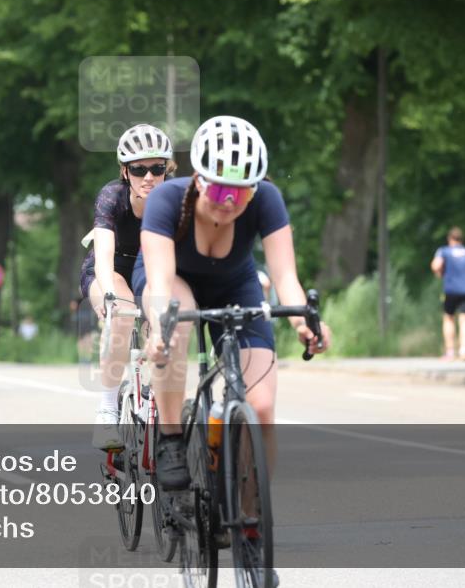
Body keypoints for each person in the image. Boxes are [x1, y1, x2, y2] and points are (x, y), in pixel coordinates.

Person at [136, 115, 331, 491]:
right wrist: (159, 327)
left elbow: (285, 277)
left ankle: (249, 514)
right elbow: (160, 283)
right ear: (198, 179)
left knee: (262, 407)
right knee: (177, 320)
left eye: (241, 193)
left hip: (234, 284)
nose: (229, 202)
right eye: (221, 189)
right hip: (172, 278)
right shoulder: (166, 200)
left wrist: (303, 324)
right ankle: (171, 438)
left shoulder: (267, 199)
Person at [80, 123, 174, 450]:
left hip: (150, 268)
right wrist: (110, 296)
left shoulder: (175, 198)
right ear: (125, 171)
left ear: (167, 170)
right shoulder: (112, 196)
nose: (149, 177)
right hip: (111, 268)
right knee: (121, 314)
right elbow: (104, 257)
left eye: (157, 168)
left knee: (164, 322)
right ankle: (107, 410)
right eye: (138, 169)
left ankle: (155, 400)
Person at [430, 227, 465, 360]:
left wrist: (440, 273)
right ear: (461, 239)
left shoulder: (444, 251)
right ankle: (464, 350)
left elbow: (436, 266)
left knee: (449, 318)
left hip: (451, 290)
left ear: (450, 239)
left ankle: (450, 352)